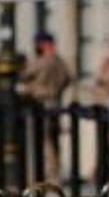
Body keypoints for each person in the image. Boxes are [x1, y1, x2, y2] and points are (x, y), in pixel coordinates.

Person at [18, 31, 73, 173]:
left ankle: (45, 170)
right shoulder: (60, 61)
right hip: (55, 101)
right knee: (53, 139)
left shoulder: (41, 61)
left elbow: (24, 75)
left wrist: (32, 87)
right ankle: (56, 169)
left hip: (40, 102)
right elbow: (68, 78)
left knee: (42, 138)